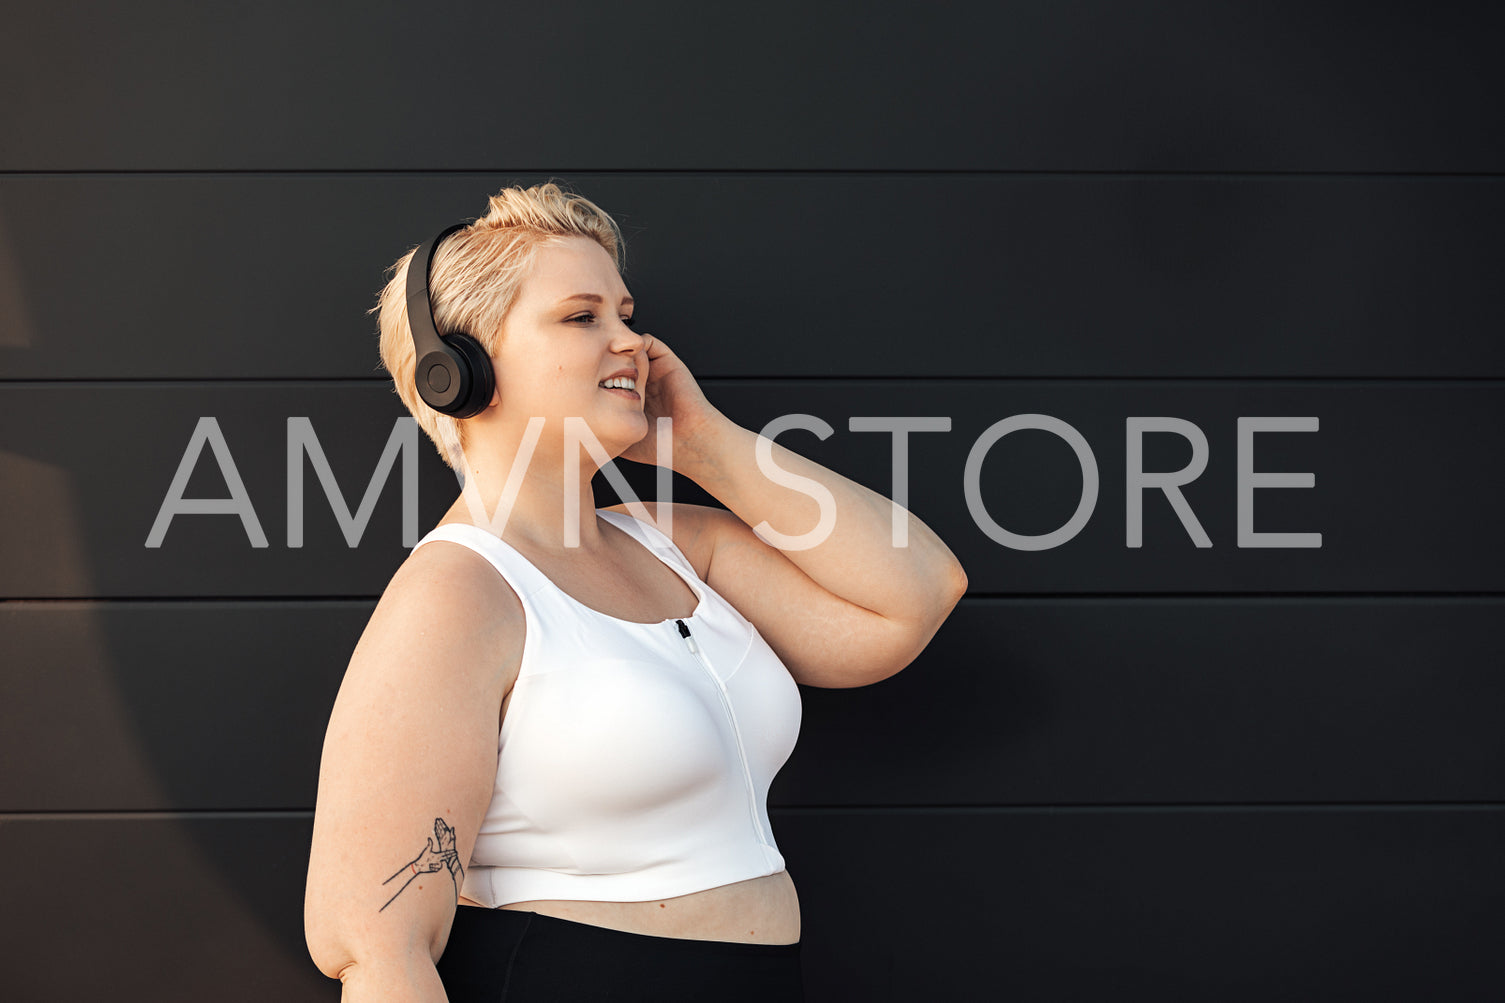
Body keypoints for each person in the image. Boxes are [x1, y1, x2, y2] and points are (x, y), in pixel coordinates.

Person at [303, 182, 968, 1001]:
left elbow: (915, 593)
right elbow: (373, 939)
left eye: (625, 312)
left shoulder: (674, 540)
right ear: (463, 369)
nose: (633, 342)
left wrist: (703, 443)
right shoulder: (457, 590)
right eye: (583, 318)